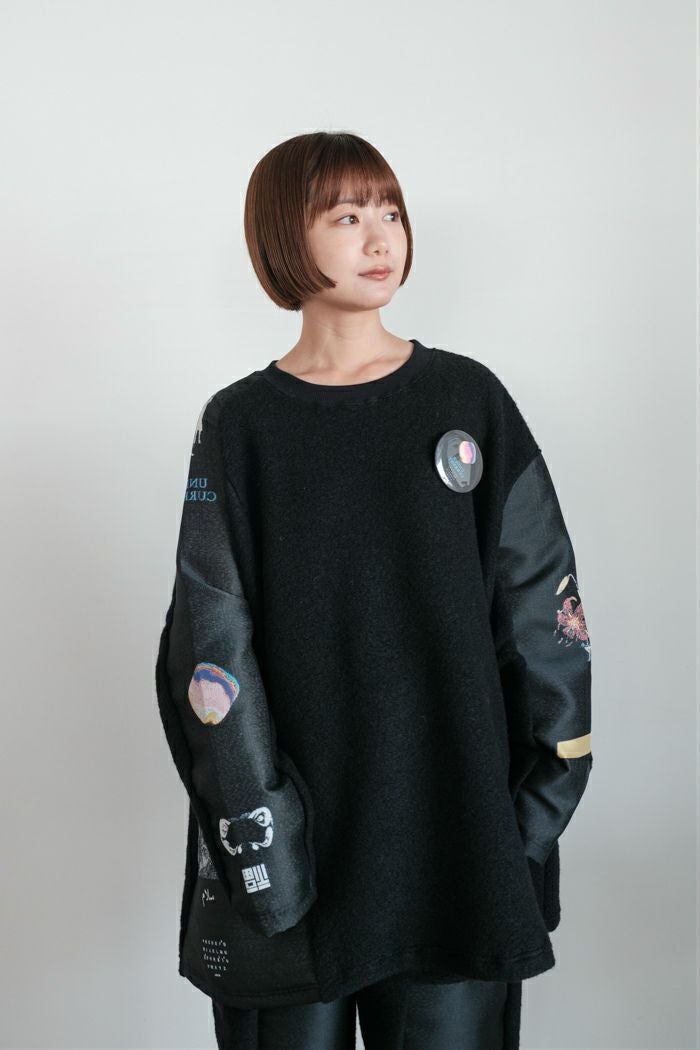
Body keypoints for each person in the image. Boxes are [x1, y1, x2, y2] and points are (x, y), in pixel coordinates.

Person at [154, 131, 593, 1050]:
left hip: (453, 843)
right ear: (285, 236)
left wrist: (523, 821)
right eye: (348, 216)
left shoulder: (468, 401)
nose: (380, 235)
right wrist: (263, 838)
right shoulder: (241, 425)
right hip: (295, 857)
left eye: (389, 210)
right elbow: (209, 644)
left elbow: (545, 616)